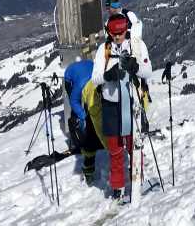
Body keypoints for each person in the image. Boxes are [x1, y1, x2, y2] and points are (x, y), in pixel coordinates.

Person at [91, 14, 152, 202]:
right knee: (115, 149)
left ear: (127, 28)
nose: (118, 37)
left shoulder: (137, 45)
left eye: (121, 32)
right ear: (109, 31)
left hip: (132, 102)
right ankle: (117, 187)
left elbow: (148, 71)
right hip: (111, 105)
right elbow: (95, 78)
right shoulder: (104, 49)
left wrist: (135, 67)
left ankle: (136, 179)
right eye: (114, 33)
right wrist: (109, 75)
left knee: (134, 146)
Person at [62, 59, 104, 185]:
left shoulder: (100, 78)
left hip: (88, 70)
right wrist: (83, 116)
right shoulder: (79, 86)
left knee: (94, 109)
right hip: (70, 75)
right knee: (79, 113)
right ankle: (88, 169)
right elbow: (73, 102)